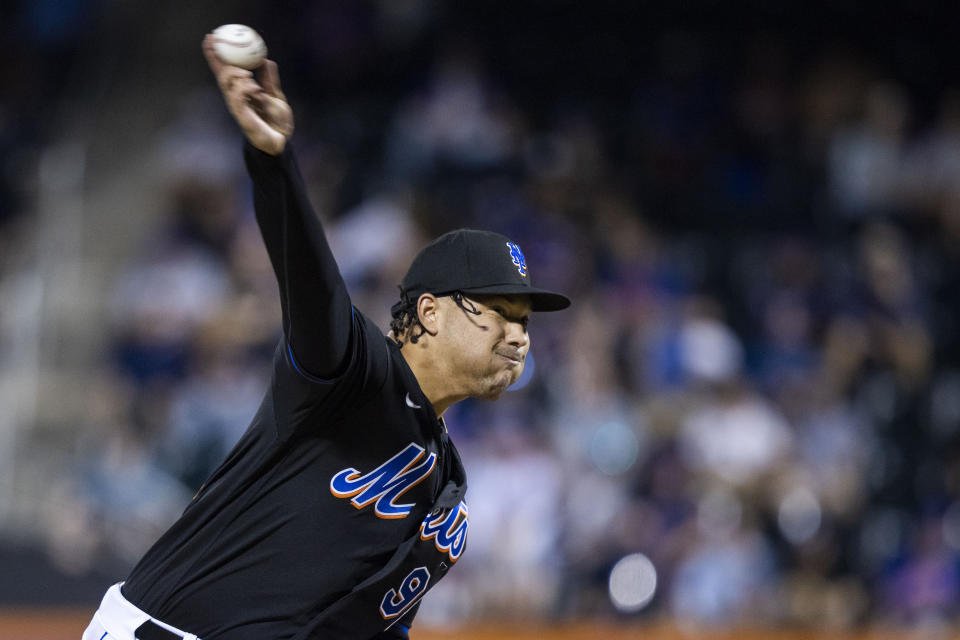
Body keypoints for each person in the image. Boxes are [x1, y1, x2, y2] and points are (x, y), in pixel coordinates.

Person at [82, 32, 570, 640]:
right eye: (498, 310)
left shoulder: (449, 489)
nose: (517, 334)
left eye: (524, 320)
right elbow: (310, 281)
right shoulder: (354, 372)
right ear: (431, 312)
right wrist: (273, 162)